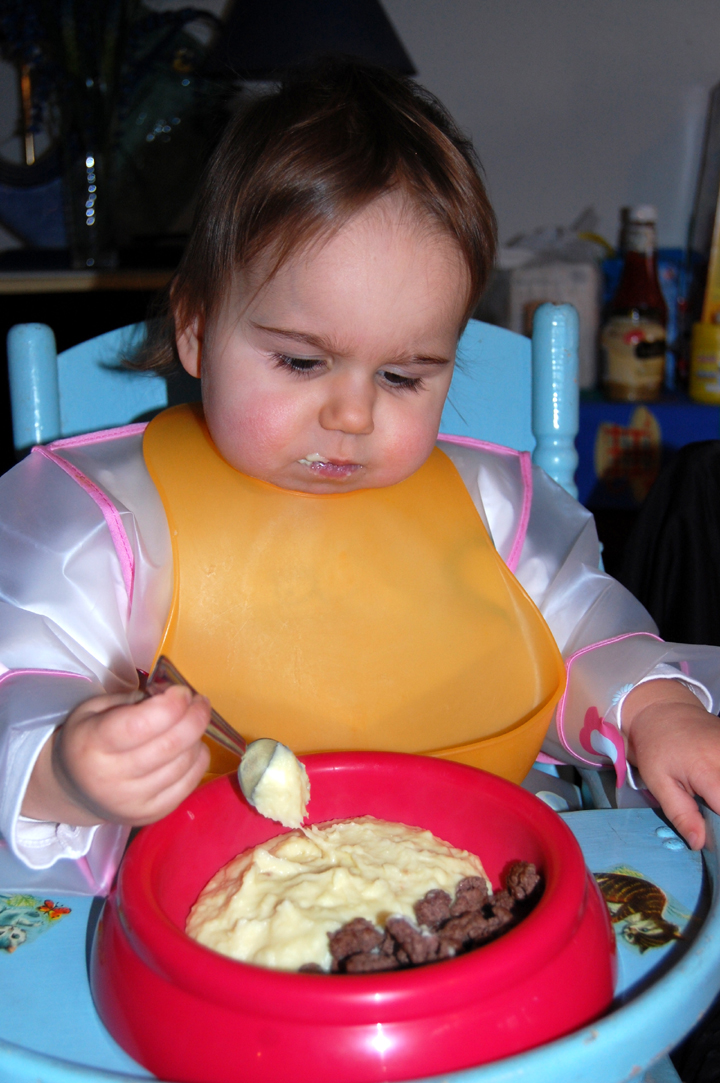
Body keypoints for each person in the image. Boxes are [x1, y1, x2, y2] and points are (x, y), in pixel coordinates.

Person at [2, 60, 719, 889]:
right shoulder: (107, 520)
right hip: (217, 896)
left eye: (402, 376)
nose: (352, 414)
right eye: (302, 362)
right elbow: (23, 677)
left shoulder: (491, 507)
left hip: (475, 869)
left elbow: (580, 636)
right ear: (195, 330)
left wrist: (654, 707)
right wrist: (64, 770)